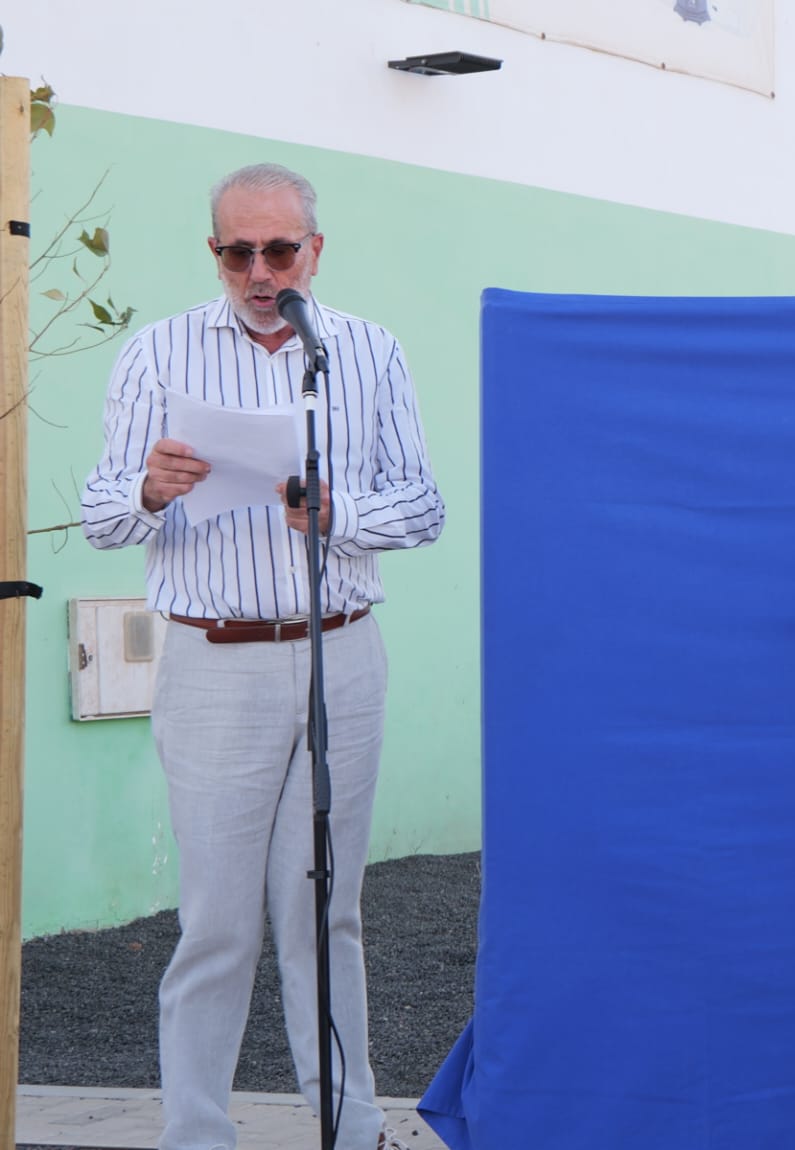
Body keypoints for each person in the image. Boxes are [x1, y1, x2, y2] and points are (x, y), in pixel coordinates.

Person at [80, 163, 445, 1150]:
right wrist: (150, 491)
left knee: (328, 913)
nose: (257, 270)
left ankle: (353, 1121)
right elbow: (100, 514)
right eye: (235, 251)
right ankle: (197, 1133)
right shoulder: (159, 355)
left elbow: (424, 506)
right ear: (215, 253)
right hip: (214, 663)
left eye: (277, 249)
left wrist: (343, 513)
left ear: (314, 250)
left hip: (342, 656)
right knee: (217, 923)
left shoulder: (367, 353)